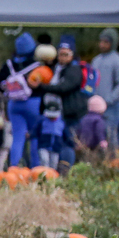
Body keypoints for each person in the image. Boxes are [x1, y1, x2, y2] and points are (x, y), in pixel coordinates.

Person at [35, 35, 85, 167]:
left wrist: (42, 87)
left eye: (66, 54)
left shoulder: (74, 70)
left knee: (68, 141)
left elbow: (64, 87)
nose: (62, 57)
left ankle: (65, 169)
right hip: (51, 113)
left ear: (72, 55)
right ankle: (50, 170)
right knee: (51, 142)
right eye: (60, 54)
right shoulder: (55, 68)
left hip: (68, 114)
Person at [0, 33, 43, 167]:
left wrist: (8, 92)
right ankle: (36, 167)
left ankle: (15, 166)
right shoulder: (37, 65)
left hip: (14, 104)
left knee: (17, 136)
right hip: (33, 103)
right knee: (35, 136)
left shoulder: (9, 64)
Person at [91, 29, 119, 148]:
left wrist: (108, 100)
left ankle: (113, 159)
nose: (102, 45)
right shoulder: (96, 60)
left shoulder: (116, 60)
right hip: (94, 108)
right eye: (101, 41)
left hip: (111, 107)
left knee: (110, 135)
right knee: (96, 136)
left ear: (112, 43)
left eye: (106, 42)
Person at [36, 94, 66, 169]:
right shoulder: (42, 120)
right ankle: (43, 174)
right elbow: (36, 131)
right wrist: (30, 135)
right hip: (43, 145)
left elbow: (66, 134)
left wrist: (71, 142)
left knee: (54, 164)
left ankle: (52, 175)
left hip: (56, 147)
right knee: (44, 160)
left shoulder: (61, 122)